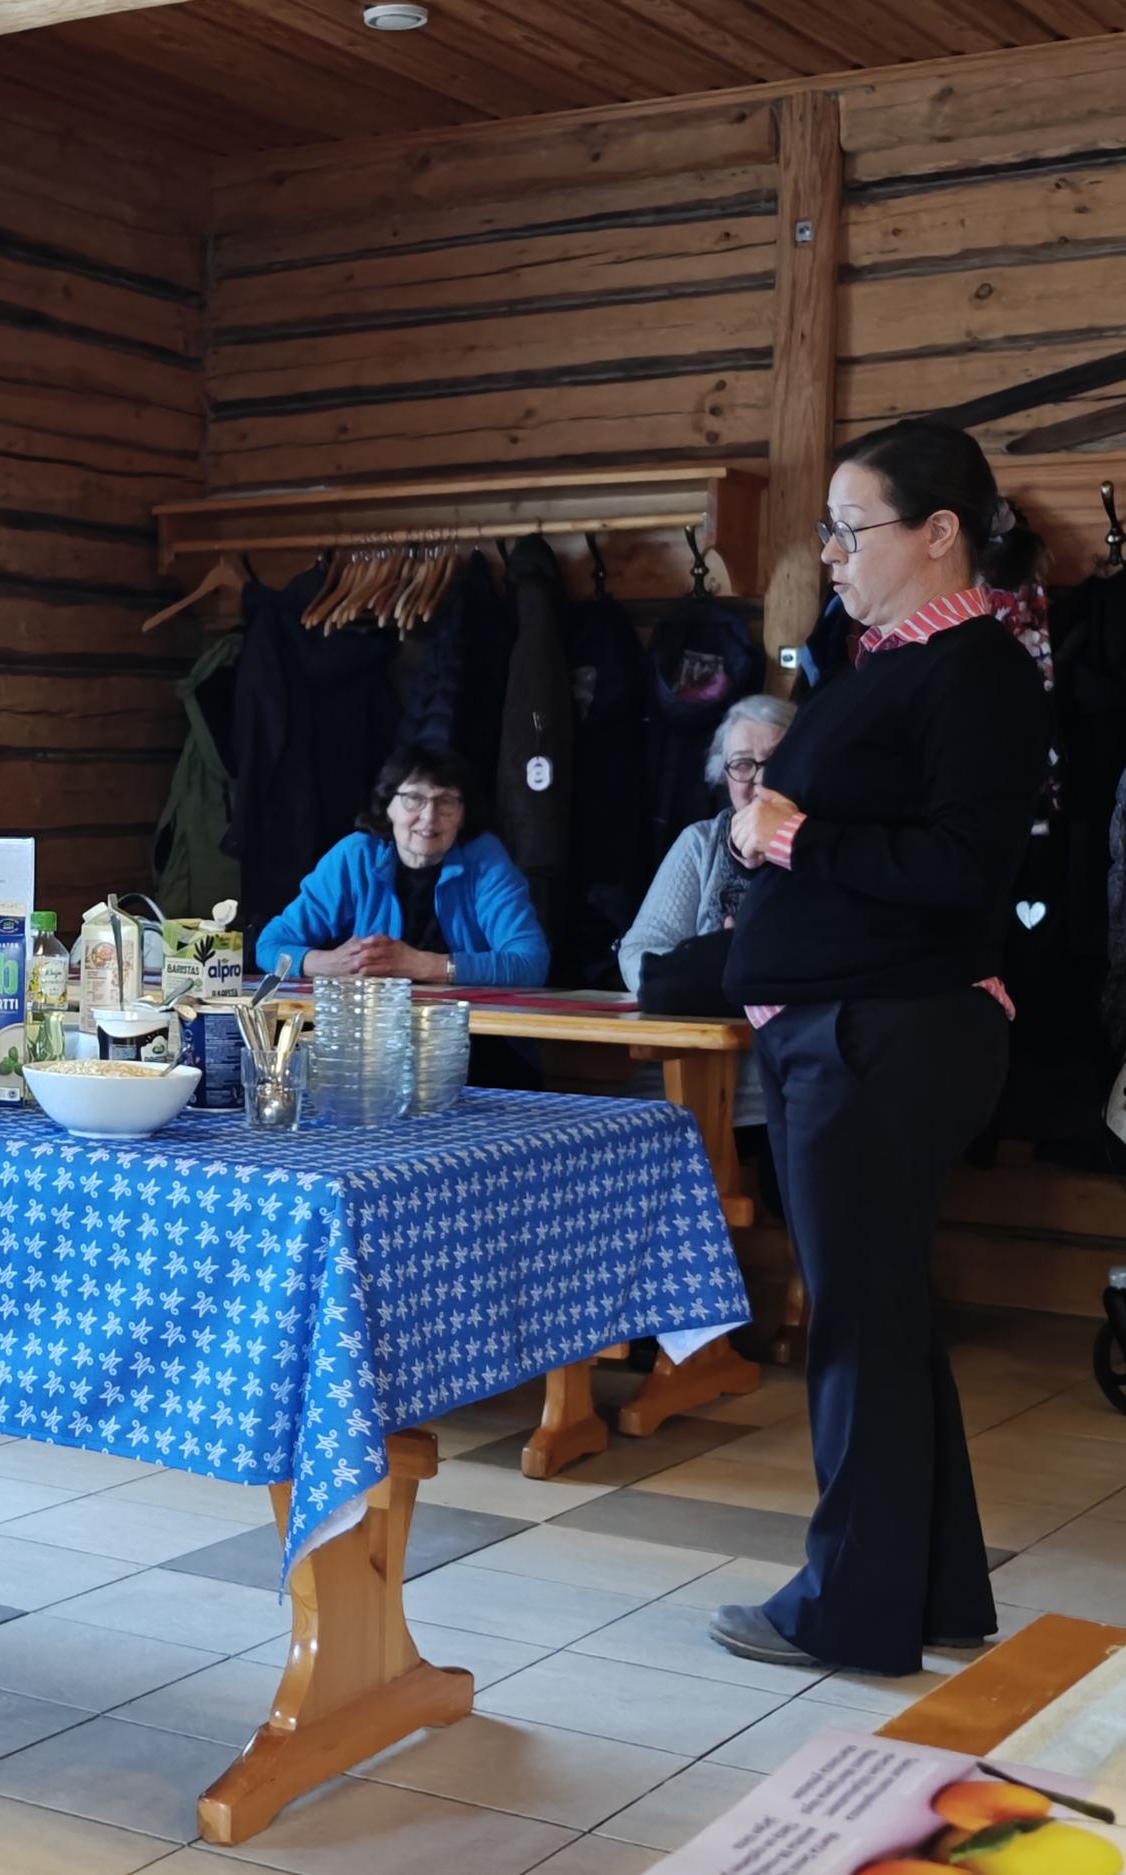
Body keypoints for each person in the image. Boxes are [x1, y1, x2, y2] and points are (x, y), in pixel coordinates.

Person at [712, 420, 1051, 1677]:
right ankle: (933, 1594)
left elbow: (963, 867)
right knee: (887, 1319)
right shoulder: (888, 663)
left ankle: (849, 1612)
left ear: (939, 532)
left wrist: (790, 837)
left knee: (858, 1327)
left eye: (852, 530)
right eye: (830, 532)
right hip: (856, 1028)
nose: (834, 555)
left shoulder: (977, 670)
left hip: (883, 1030)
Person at [617, 693, 796, 1126]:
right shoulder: (700, 842)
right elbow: (640, 954)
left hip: (787, 1079)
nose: (758, 779)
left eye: (774, 761)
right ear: (723, 774)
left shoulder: (819, 846)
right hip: (690, 1070)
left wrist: (711, 960)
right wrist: (721, 956)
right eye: (742, 764)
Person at [252, 742, 550, 987]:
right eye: (414, 799)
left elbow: (531, 964)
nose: (429, 817)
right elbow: (269, 946)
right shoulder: (355, 857)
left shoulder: (484, 859)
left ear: (462, 815)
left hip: (468, 1030)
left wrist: (419, 964)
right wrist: (327, 963)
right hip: (370, 1030)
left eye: (446, 801)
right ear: (388, 806)